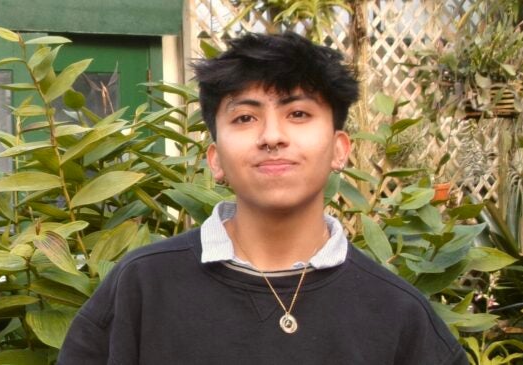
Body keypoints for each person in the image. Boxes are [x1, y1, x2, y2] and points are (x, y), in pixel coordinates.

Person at [58, 32, 468, 364]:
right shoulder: (142, 287)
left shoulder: (397, 313)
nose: (272, 136)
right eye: (245, 117)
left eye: (299, 114)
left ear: (340, 149)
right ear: (215, 159)